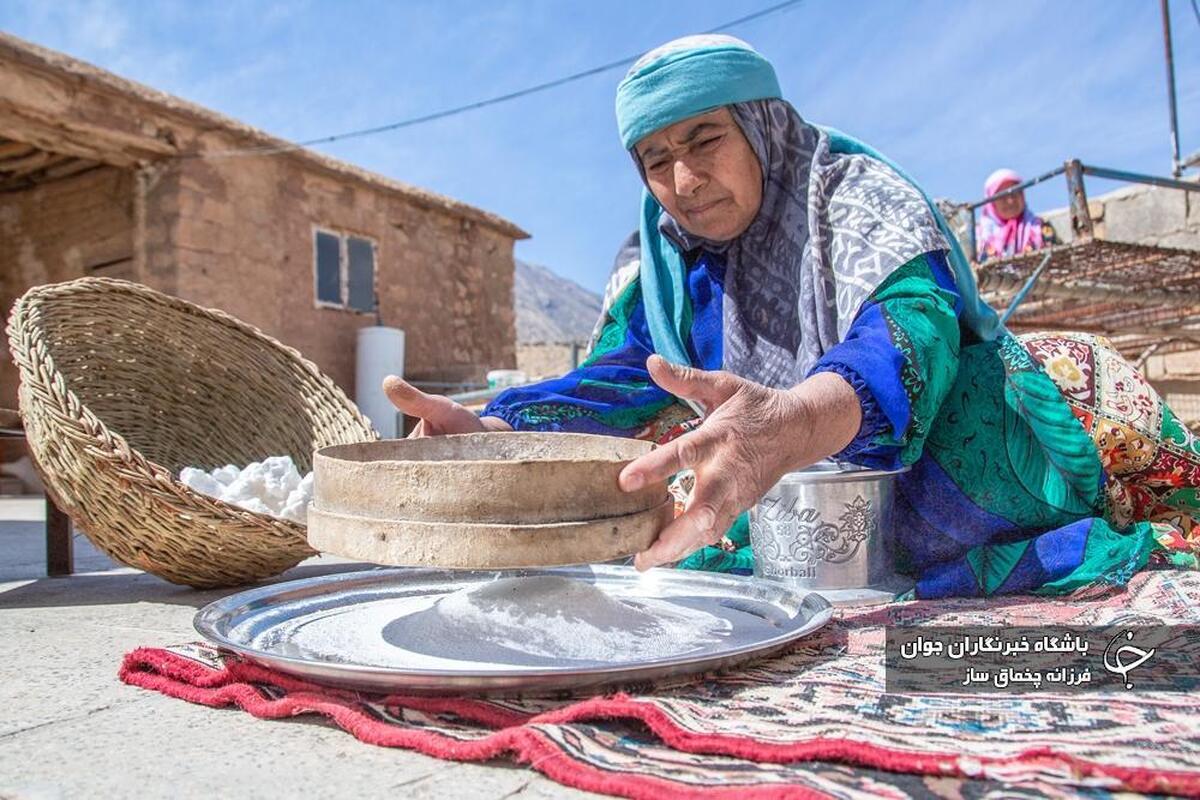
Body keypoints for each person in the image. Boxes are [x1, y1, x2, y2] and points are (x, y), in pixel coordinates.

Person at [384, 35, 1200, 598]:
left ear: (762, 130)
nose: (684, 177)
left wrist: (793, 421)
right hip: (809, 476)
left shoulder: (857, 201)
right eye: (656, 159)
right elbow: (620, 379)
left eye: (704, 138)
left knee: (964, 414)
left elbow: (909, 331)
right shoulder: (662, 267)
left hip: (965, 430)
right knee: (660, 435)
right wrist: (497, 423)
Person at [975, 167, 1059, 262]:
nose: (1010, 201)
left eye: (1015, 193)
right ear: (991, 202)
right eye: (1002, 196)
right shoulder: (979, 235)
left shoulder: (1040, 226)